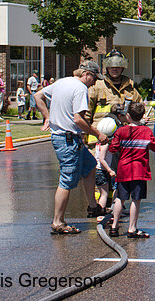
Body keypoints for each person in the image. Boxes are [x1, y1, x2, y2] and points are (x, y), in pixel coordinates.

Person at [34, 61, 108, 234]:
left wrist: (47, 117)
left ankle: (92, 207)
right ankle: (58, 222)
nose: (94, 83)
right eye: (94, 79)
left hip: (67, 138)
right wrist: (98, 134)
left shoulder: (61, 82)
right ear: (87, 74)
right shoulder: (81, 88)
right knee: (66, 180)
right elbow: (79, 119)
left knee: (90, 166)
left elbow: (38, 96)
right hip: (67, 140)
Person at [108, 101, 155, 238]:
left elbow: (113, 149)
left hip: (123, 169)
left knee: (120, 198)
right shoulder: (146, 131)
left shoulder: (121, 131)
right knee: (136, 200)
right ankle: (132, 228)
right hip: (139, 171)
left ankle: (114, 227)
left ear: (128, 116)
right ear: (142, 116)